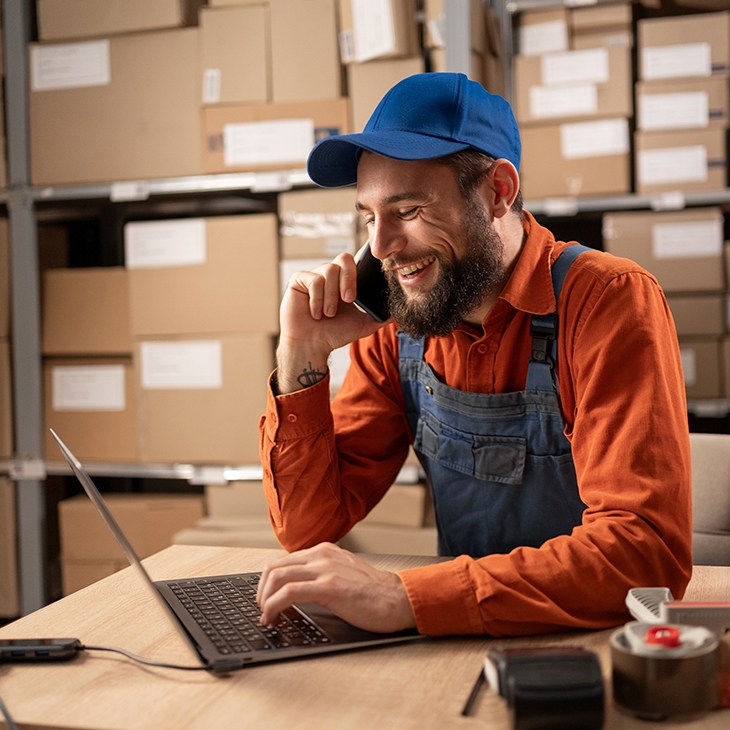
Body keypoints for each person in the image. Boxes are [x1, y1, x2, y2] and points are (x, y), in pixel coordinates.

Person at [256, 72, 692, 637]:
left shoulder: (606, 303)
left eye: (408, 210)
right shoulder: (399, 322)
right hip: (455, 638)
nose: (383, 248)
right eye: (369, 218)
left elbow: (643, 558)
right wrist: (302, 354)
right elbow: (309, 526)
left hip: (590, 643)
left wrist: (406, 597)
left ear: (497, 192)